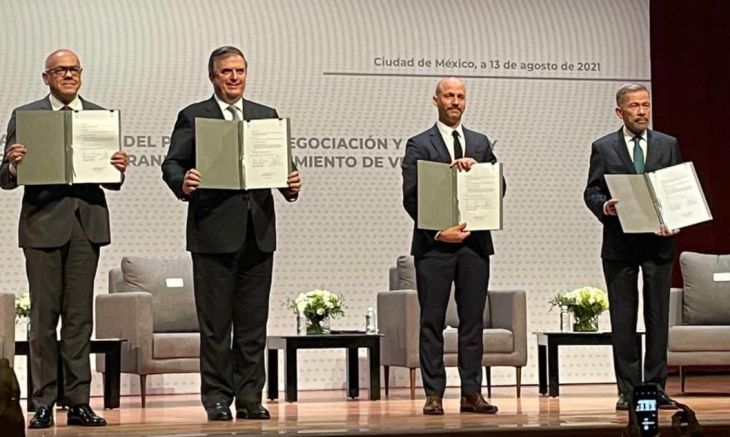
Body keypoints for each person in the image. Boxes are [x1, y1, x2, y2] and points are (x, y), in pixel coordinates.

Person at [162, 46, 301, 421]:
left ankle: (250, 398)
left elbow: (283, 167)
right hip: (212, 234)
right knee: (216, 326)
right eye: (227, 71)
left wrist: (290, 183)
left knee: (253, 325)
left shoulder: (265, 116)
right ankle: (218, 399)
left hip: (258, 234)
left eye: (240, 70)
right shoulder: (194, 116)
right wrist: (183, 180)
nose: (235, 77)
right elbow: (172, 164)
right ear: (213, 76)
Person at [0, 49, 128, 428]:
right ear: (47, 77)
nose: (68, 75)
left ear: (81, 74)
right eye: (60, 70)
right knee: (43, 317)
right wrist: (13, 164)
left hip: (86, 226)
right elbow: (5, 178)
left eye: (74, 69)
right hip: (42, 227)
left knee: (79, 319)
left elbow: (112, 180)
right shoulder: (27, 116)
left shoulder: (99, 117)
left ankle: (78, 403)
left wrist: (117, 168)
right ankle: (42, 402)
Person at [401, 77, 501, 415]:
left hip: (475, 245)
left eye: (460, 96)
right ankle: (434, 394)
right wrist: (438, 233)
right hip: (434, 247)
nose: (455, 101)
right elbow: (411, 197)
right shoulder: (419, 144)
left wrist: (478, 170)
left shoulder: (480, 142)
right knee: (432, 321)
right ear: (436, 100)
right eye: (448, 96)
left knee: (473, 322)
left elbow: (497, 187)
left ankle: (472, 393)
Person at [584, 83, 681, 411]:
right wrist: (604, 207)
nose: (642, 111)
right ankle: (628, 390)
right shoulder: (604, 147)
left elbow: (677, 189)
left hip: (659, 244)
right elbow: (592, 191)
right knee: (623, 320)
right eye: (635, 106)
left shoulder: (668, 144)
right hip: (620, 246)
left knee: (658, 319)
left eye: (645, 105)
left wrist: (676, 217)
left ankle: (656, 388)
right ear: (620, 111)